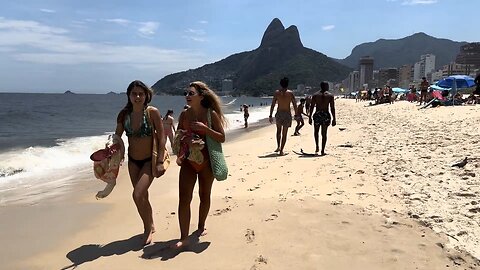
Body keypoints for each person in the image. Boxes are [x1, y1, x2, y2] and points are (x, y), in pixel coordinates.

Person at [173, 81, 226, 249]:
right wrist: (186, 138)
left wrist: (206, 129)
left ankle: (201, 226)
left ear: (201, 96)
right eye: (186, 94)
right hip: (189, 161)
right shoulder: (184, 115)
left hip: (207, 162)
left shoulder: (211, 115)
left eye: (191, 93)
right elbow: (179, 135)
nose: (187, 96)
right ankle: (183, 237)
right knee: (184, 199)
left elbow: (222, 137)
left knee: (204, 195)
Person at [115, 80, 166, 246]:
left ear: (146, 96)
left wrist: (159, 161)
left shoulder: (152, 112)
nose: (137, 97)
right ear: (129, 95)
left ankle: (147, 228)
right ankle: (150, 223)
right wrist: (111, 153)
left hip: (148, 160)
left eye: (141, 94)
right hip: (133, 161)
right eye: (134, 94)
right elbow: (117, 138)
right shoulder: (124, 115)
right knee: (142, 196)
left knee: (137, 194)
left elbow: (161, 137)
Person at [269, 77, 298, 156]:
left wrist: (270, 115)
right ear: (287, 84)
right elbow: (295, 105)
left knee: (278, 131)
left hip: (279, 113)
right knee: (284, 133)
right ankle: (281, 150)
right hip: (287, 114)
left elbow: (273, 105)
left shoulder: (277, 93)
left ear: (280, 84)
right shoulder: (290, 93)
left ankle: (278, 146)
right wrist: (296, 114)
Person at [308, 81, 336, 156]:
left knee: (316, 131)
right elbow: (332, 108)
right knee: (324, 133)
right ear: (326, 86)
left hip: (317, 114)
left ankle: (317, 146)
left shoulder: (315, 95)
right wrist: (334, 118)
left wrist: (310, 117)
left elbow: (311, 107)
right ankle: (322, 150)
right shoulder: (330, 96)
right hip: (325, 114)